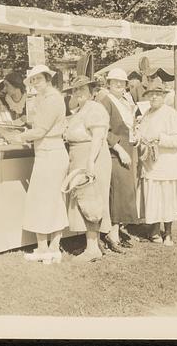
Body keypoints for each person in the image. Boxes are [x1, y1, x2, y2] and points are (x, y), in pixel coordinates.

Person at [19, 65, 69, 264]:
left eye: (38, 79)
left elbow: (40, 131)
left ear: (48, 79)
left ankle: (45, 249)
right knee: (53, 200)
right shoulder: (46, 99)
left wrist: (18, 136)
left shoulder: (52, 100)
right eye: (33, 80)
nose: (35, 83)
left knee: (43, 200)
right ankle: (53, 249)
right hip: (49, 153)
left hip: (50, 154)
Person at [62, 76, 112, 262]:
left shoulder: (95, 108)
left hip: (92, 157)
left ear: (92, 92)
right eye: (76, 90)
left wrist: (90, 162)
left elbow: (98, 137)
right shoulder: (80, 110)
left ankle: (92, 249)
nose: (78, 93)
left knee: (91, 199)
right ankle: (93, 244)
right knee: (85, 200)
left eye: (82, 89)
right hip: (80, 157)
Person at [135, 80, 177, 246]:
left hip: (166, 165)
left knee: (167, 200)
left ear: (163, 96)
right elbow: (141, 135)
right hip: (150, 166)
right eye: (151, 94)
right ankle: (154, 231)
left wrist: (160, 139)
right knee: (153, 199)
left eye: (157, 94)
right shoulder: (147, 114)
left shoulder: (170, 113)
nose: (154, 97)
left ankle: (168, 234)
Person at [96, 68, 139, 253]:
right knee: (118, 193)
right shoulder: (106, 101)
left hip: (129, 149)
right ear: (109, 83)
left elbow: (127, 126)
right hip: (115, 152)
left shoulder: (124, 101)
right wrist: (120, 149)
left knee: (125, 192)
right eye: (115, 82)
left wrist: (135, 135)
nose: (119, 85)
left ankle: (117, 231)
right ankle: (111, 235)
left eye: (122, 82)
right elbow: (104, 130)